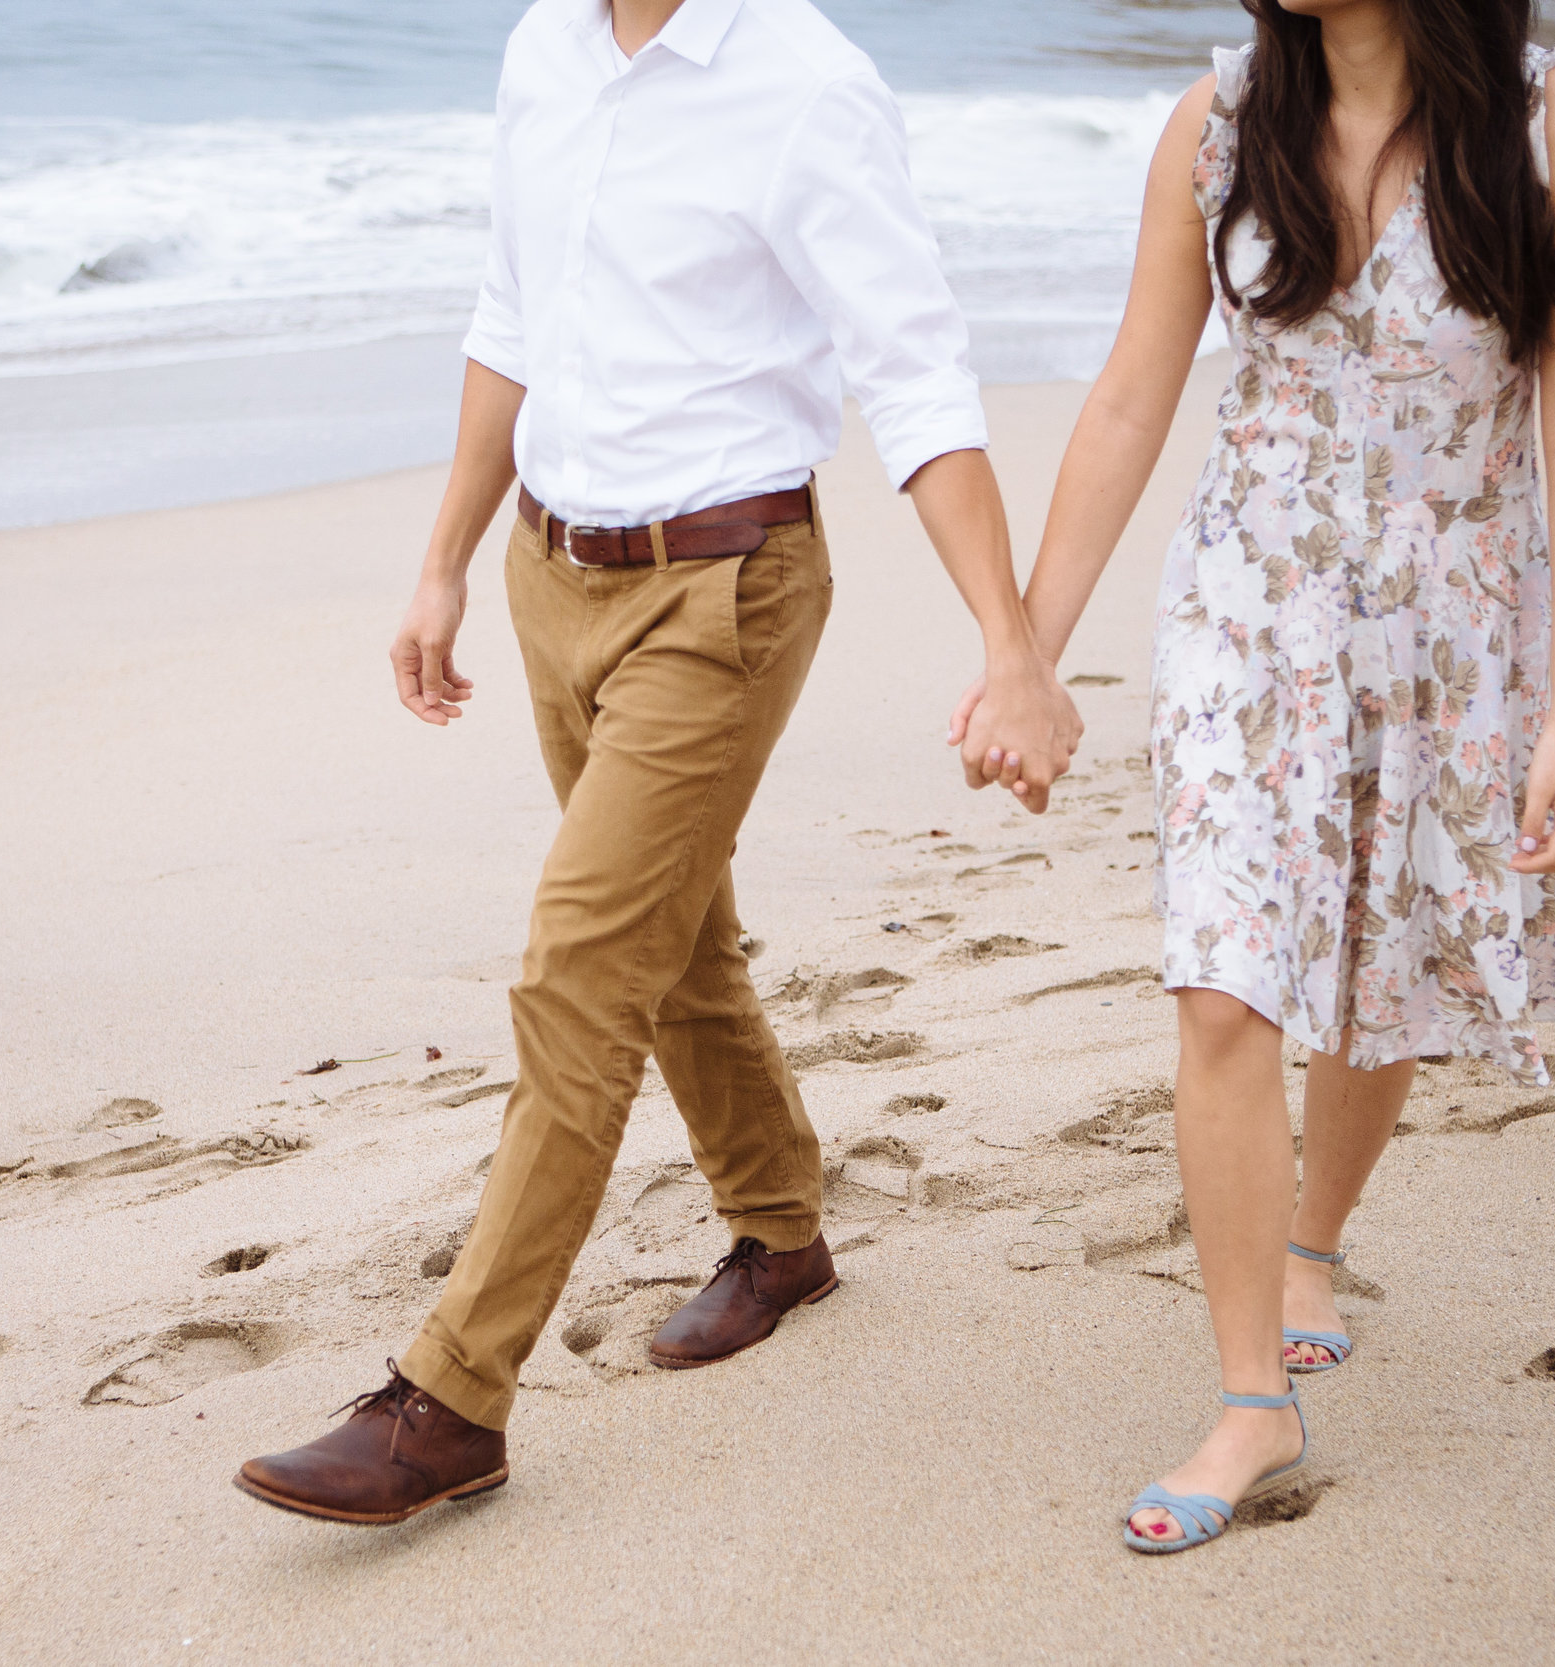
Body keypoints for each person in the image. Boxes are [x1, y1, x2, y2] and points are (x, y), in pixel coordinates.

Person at [233, 0, 1081, 1525]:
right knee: (672, 937)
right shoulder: (543, 46)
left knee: (580, 969)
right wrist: (443, 561)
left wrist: (1011, 645)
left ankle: (451, 1400)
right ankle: (784, 1232)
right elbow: (512, 313)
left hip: (723, 591)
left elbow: (919, 377)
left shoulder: (810, 84)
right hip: (553, 574)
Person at [954, 0, 1555, 1553]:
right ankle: (1252, 1395)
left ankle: (1313, 1238)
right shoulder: (1216, 126)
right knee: (1226, 983)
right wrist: (1028, 651)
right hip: (1248, 614)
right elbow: (1136, 390)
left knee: (1372, 970)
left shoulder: (1552, 126)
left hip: (1452, 625)